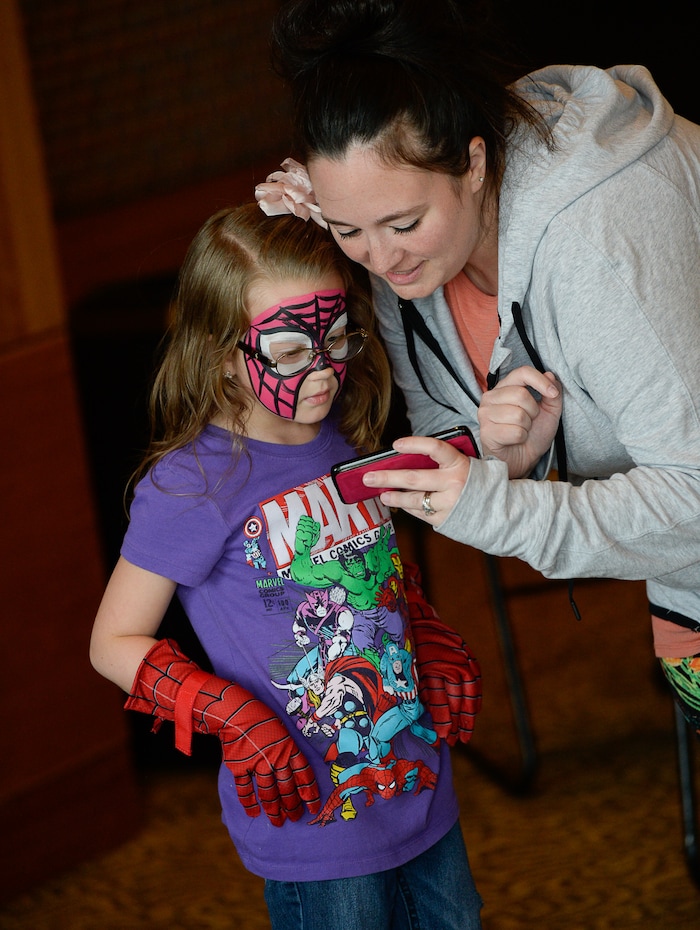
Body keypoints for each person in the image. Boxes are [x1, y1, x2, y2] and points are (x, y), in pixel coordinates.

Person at [267, 0, 700, 732]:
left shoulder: (595, 242)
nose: (382, 257)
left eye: (403, 223)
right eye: (348, 230)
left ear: (473, 163)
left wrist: (497, 507)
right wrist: (502, 460)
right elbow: (449, 432)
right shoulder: (403, 260)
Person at [89, 200, 483, 930]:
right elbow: (111, 641)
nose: (326, 369)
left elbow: (371, 577)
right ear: (218, 349)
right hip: (312, 824)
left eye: (336, 337)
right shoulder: (191, 484)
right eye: (292, 351)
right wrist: (231, 717)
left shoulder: (340, 435)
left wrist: (420, 629)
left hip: (420, 792)